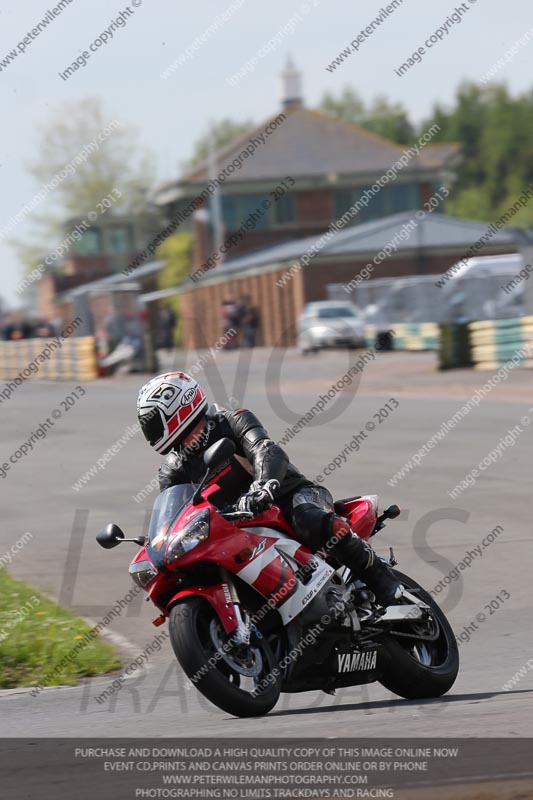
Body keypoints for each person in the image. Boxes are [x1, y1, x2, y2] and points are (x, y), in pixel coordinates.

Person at [137, 371, 403, 606]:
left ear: (178, 405)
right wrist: (160, 541)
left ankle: (381, 579)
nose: (150, 429)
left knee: (309, 519)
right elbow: (174, 512)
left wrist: (264, 487)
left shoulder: (232, 421)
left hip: (288, 496)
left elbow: (266, 449)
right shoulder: (172, 468)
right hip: (233, 528)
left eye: (152, 420)